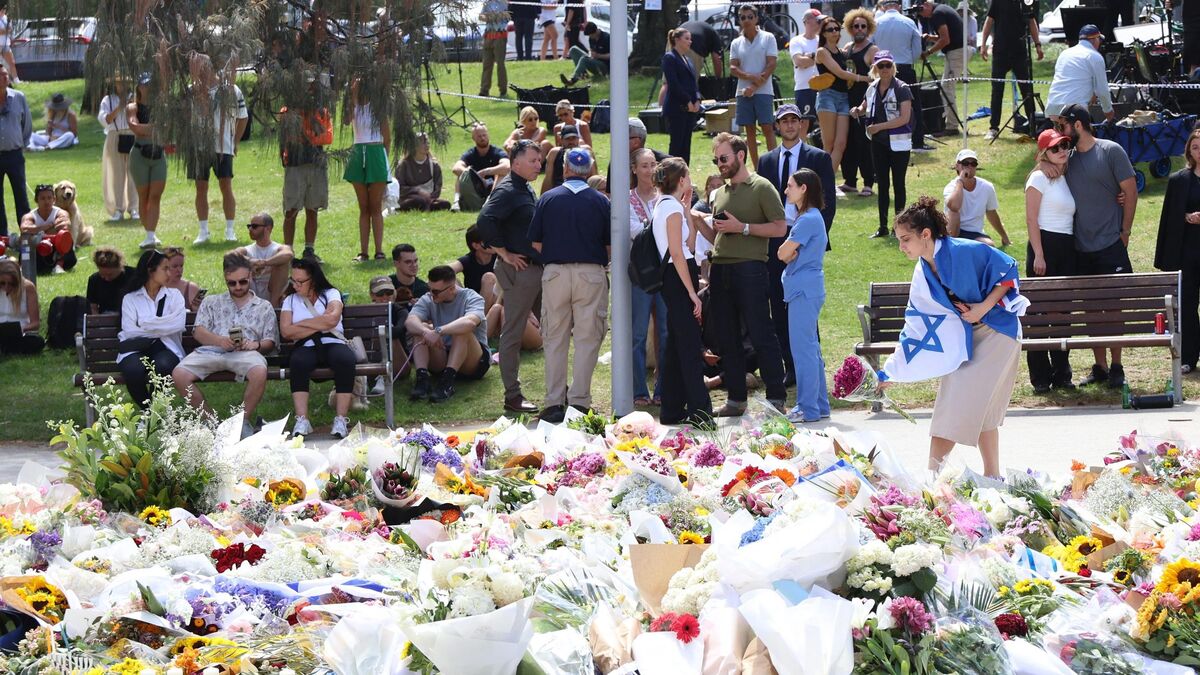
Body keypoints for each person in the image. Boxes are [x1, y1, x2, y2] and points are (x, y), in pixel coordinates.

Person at [878, 197, 1027, 479]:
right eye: (899, 240)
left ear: (925, 234)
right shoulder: (923, 269)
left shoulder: (963, 250)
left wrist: (982, 308)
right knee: (977, 408)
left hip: (997, 332)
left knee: (955, 404)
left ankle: (932, 480)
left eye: (906, 239)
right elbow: (917, 322)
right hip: (967, 336)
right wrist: (892, 369)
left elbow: (1008, 269)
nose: (901, 247)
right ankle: (992, 477)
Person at [692, 132, 788, 415]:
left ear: (741, 155)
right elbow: (720, 238)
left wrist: (743, 227)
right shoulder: (719, 193)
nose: (720, 164)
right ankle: (736, 400)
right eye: (716, 160)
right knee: (727, 337)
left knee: (761, 333)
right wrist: (698, 222)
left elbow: (780, 228)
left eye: (724, 158)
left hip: (750, 269)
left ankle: (776, 398)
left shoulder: (762, 187)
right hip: (720, 269)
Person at [1053, 103, 1138, 389]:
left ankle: (1117, 366)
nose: (1060, 131)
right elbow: (1044, 166)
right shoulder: (1067, 158)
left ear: (1078, 124)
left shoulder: (1111, 151)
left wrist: (1124, 232)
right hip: (1081, 247)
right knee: (1090, 310)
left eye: (1063, 125)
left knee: (1113, 309)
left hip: (1111, 243)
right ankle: (1100, 367)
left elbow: (1130, 192)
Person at [529, 148, 610, 423]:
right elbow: (609, 245)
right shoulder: (600, 201)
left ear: (565, 168)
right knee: (588, 338)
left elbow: (536, 242)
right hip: (591, 272)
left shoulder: (548, 198)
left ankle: (554, 402)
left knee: (554, 338)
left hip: (555, 273)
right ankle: (579, 402)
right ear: (589, 170)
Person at [758, 103, 836, 385]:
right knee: (779, 304)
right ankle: (790, 366)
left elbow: (828, 204)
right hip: (776, 239)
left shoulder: (818, 158)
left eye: (794, 120)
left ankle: (811, 365)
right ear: (777, 126)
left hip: (805, 238)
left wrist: (810, 240)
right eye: (785, 121)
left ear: (801, 124)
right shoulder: (766, 161)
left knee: (803, 306)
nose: (790, 125)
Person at [172, 251, 278, 438]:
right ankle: (211, 423)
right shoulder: (212, 302)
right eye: (232, 283)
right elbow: (198, 331)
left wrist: (255, 345)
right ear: (225, 279)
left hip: (246, 353)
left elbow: (270, 341)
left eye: (243, 281)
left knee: (259, 371)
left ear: (250, 276)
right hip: (211, 351)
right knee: (179, 374)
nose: (238, 287)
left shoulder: (263, 306)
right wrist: (219, 341)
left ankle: (242, 422)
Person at [475, 139, 544, 413]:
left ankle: (557, 392)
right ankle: (512, 395)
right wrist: (503, 253)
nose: (538, 165)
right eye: (533, 161)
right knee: (512, 333)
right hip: (520, 270)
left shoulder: (524, 186)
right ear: (515, 163)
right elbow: (484, 220)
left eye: (539, 160)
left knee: (552, 329)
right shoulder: (507, 189)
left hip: (536, 268)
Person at [653, 157, 712, 425]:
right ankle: (700, 412)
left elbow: (688, 244)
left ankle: (672, 409)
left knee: (677, 346)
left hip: (677, 275)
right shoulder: (669, 208)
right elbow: (677, 253)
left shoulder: (671, 206)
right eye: (687, 176)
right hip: (677, 278)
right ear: (680, 180)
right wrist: (691, 292)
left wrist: (687, 210)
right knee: (688, 346)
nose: (690, 180)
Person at [1025, 128, 1078, 392]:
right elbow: (1031, 218)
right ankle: (1040, 377)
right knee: (1038, 315)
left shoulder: (1067, 174)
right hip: (1045, 243)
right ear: (1044, 153)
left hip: (1067, 246)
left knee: (1062, 314)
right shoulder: (1038, 177)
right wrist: (1039, 253)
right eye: (1055, 148)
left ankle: (1062, 373)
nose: (1061, 151)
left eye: (1064, 146)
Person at [280, 257, 355, 439]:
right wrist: (320, 322)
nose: (295, 285)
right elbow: (286, 331)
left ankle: (341, 419)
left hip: (333, 341)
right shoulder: (290, 300)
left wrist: (301, 325)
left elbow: (333, 319)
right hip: (305, 345)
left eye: (300, 281)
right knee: (298, 362)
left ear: (312, 280)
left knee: (345, 359)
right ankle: (302, 419)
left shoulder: (331, 293)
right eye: (293, 280)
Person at [777, 168, 830, 423]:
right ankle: (818, 405)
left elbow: (781, 253)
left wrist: (789, 254)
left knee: (803, 351)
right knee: (810, 349)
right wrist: (789, 254)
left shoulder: (808, 219)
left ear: (803, 188)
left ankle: (807, 408)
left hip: (803, 290)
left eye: (790, 186)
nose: (786, 190)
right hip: (806, 289)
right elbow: (786, 253)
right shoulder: (810, 217)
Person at [187, 54, 249, 244]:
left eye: (200, 67)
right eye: (194, 68)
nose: (198, 72)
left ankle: (230, 230)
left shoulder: (230, 90)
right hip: (199, 146)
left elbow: (243, 117)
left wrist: (235, 141)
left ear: (209, 67)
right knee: (201, 187)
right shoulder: (191, 90)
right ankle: (203, 231)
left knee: (225, 185)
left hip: (223, 145)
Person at [851, 50, 913, 239]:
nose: (885, 69)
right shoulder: (872, 87)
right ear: (875, 68)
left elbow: (904, 118)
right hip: (878, 143)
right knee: (883, 184)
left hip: (899, 143)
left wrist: (879, 127)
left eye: (888, 65)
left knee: (899, 184)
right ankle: (883, 226)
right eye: (881, 65)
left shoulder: (902, 88)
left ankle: (898, 228)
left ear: (893, 67)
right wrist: (857, 110)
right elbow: (864, 106)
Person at [406, 265, 491, 403]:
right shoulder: (428, 298)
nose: (431, 294)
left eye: (436, 291)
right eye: (429, 289)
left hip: (473, 362)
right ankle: (422, 379)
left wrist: (439, 331)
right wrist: (425, 331)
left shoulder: (472, 297)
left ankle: (447, 382)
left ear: (451, 289)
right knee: (420, 329)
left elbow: (470, 322)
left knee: (462, 330)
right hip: (443, 355)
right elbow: (410, 321)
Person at [1156, 127, 1200, 375]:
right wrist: (1186, 216)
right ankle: (1189, 357)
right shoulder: (1179, 180)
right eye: (1195, 147)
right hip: (1187, 251)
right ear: (1189, 151)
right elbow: (1170, 218)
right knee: (1188, 305)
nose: (1199, 151)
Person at [117, 249, 186, 408]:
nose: (170, 273)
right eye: (165, 268)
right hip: (135, 348)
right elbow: (130, 331)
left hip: (166, 347)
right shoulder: (130, 298)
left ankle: (154, 413)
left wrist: (146, 323)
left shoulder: (174, 296)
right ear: (150, 270)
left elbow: (178, 325)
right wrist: (164, 324)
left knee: (163, 366)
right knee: (133, 370)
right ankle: (149, 413)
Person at [630, 148, 667, 406]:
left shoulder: (664, 197)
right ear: (634, 169)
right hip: (641, 275)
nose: (650, 169)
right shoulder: (626, 199)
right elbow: (632, 231)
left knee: (665, 332)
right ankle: (638, 390)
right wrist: (658, 226)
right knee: (638, 334)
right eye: (644, 165)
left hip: (665, 273)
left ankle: (663, 388)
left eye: (653, 164)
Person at [814, 15, 870, 182]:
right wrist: (864, 78)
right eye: (830, 29)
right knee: (829, 144)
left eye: (837, 29)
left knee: (841, 144)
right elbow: (840, 73)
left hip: (843, 98)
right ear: (823, 33)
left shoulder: (843, 52)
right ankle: (822, 184)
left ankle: (827, 182)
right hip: (827, 97)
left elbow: (857, 56)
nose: (835, 32)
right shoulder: (822, 52)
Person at [980, 0, 1043, 141]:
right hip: (1000, 51)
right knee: (997, 91)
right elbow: (989, 21)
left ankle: (1033, 126)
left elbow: (1031, 21)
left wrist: (1038, 44)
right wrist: (983, 44)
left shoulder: (1026, 1)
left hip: (1019, 51)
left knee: (1026, 89)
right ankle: (993, 127)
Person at [280, 95, 332, 262]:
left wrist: (306, 136)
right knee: (291, 210)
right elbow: (288, 136)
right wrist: (312, 136)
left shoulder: (322, 111)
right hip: (295, 164)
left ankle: (309, 250)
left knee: (313, 209)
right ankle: (288, 251)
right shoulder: (287, 111)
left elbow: (328, 137)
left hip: (316, 164)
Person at [344, 83, 390, 262]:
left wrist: (384, 163)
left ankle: (379, 251)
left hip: (376, 152)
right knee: (363, 207)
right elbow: (346, 120)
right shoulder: (353, 105)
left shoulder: (378, 107)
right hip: (358, 153)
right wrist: (353, 97)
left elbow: (387, 138)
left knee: (375, 206)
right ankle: (363, 252)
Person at [872, 0, 925, 151]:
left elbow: (871, 46)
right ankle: (917, 141)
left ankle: (883, 139)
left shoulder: (876, 23)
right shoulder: (909, 22)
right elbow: (917, 49)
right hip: (904, 67)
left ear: (883, 7)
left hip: (882, 68)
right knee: (913, 105)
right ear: (899, 7)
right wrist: (909, 59)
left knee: (882, 105)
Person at [730, 4, 778, 167]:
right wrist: (750, 77)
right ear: (739, 20)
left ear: (756, 18)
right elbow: (733, 67)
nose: (746, 20)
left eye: (750, 17)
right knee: (749, 130)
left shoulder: (768, 37)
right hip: (743, 92)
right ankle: (757, 168)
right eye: (743, 17)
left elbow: (771, 64)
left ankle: (773, 166)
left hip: (764, 91)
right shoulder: (736, 42)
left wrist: (754, 87)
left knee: (767, 128)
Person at [840, 9, 878, 197]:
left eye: (863, 26)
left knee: (864, 144)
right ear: (850, 28)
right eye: (856, 26)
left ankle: (868, 183)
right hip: (845, 102)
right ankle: (849, 181)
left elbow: (877, 79)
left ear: (868, 28)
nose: (859, 29)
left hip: (864, 104)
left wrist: (866, 104)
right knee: (847, 143)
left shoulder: (873, 50)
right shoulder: (847, 48)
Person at [127, 72, 166, 250]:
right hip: (139, 154)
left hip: (158, 154)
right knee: (144, 196)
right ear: (139, 87)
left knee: (155, 195)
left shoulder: (161, 107)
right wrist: (154, 128)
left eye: (150, 85)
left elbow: (165, 128)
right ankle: (149, 235)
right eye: (144, 85)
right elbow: (135, 127)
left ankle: (151, 233)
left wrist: (148, 129)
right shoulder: (133, 107)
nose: (148, 88)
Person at [916, 0, 966, 136]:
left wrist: (928, 52)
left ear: (927, 4)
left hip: (956, 52)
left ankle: (952, 126)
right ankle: (950, 123)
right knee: (946, 88)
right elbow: (947, 35)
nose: (922, 15)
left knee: (947, 88)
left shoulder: (937, 14)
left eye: (921, 11)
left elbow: (945, 39)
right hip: (956, 51)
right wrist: (930, 38)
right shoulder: (942, 9)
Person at [1046, 25, 1114, 123]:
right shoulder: (1095, 57)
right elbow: (1102, 90)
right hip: (1075, 111)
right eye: (1099, 39)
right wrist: (1109, 112)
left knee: (1060, 133)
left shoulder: (1065, 54)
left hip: (1053, 108)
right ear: (1094, 39)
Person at [943, 148, 1010, 247]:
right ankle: (951, 245)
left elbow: (991, 213)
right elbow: (954, 206)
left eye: (973, 164)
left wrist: (1004, 237)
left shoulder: (987, 187)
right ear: (957, 166)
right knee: (954, 212)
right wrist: (960, 181)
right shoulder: (951, 187)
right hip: (953, 231)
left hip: (974, 233)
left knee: (988, 245)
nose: (969, 167)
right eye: (965, 163)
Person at [99, 76, 139, 222]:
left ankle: (134, 208)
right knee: (117, 174)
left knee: (133, 173)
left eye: (124, 83)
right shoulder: (108, 100)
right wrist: (121, 106)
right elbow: (106, 120)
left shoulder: (135, 98)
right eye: (119, 83)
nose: (122, 86)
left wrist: (132, 104)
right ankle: (118, 209)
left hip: (132, 134)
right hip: (115, 136)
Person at [237, 211, 294, 306]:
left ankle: (273, 307)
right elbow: (230, 255)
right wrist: (251, 262)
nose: (250, 229)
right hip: (250, 290)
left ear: (268, 228)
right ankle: (246, 304)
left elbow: (288, 254)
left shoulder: (278, 248)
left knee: (281, 264)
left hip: (273, 292)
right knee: (236, 263)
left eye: (254, 226)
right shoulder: (247, 250)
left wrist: (264, 263)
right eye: (249, 226)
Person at [0, 63, 30, 239]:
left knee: (21, 195)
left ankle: (26, 233)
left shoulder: (19, 97)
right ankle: (2, 237)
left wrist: (20, 144)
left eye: (6, 74)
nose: (4, 77)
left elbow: (26, 125)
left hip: (15, 154)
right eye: (0, 75)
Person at [19, 183, 75, 275]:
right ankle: (22, 266)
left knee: (64, 235)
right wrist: (46, 227)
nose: (47, 201)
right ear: (36, 200)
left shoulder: (61, 213)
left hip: (56, 249)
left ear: (54, 199)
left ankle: (59, 266)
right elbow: (25, 229)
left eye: (49, 198)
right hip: (37, 250)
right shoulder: (30, 216)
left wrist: (38, 232)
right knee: (25, 239)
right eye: (43, 198)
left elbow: (64, 226)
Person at [452, 124, 510, 213]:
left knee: (501, 174)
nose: (482, 138)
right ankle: (456, 202)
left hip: (494, 188)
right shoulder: (470, 153)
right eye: (479, 136)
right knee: (462, 175)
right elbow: (456, 168)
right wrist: (475, 176)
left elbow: (507, 167)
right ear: (473, 138)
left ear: (488, 135)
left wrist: (486, 171)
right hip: (476, 188)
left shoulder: (497, 152)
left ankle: (489, 202)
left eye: (484, 135)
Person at [367, 275, 409, 395]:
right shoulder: (365, 313)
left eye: (389, 292)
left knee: (387, 331)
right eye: (380, 294)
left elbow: (400, 330)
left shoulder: (400, 311)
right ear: (372, 295)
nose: (385, 297)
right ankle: (363, 379)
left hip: (398, 362)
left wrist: (381, 330)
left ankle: (383, 377)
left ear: (394, 293)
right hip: (370, 359)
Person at [396, 133, 451, 212]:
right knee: (418, 201)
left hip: (429, 198)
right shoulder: (404, 165)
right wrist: (417, 190)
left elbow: (437, 188)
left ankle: (428, 205)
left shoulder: (434, 165)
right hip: (409, 198)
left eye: (428, 143)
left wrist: (430, 197)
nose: (427, 145)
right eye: (423, 143)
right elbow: (400, 188)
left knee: (445, 204)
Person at [0, 258, 42, 355]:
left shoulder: (28, 288)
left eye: (11, 284)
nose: (6, 287)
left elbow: (35, 323)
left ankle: (6, 350)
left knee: (37, 342)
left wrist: (22, 329)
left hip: (20, 335)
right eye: (2, 283)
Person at [788, 9, 822, 125]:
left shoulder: (822, 40)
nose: (820, 23)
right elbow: (799, 62)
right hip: (804, 88)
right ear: (807, 21)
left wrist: (810, 56)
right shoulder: (796, 41)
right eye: (818, 21)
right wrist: (819, 58)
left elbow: (829, 60)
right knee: (804, 124)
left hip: (823, 87)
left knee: (824, 123)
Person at [451, 225, 498, 307]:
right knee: (450, 278)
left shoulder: (500, 257)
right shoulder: (468, 260)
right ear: (476, 245)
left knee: (489, 277)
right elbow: (445, 270)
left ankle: (480, 314)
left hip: (495, 304)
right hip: (473, 303)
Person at [543, 125, 594, 193]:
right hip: (559, 190)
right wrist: (544, 197)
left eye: (574, 138)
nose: (571, 141)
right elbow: (548, 179)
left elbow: (594, 178)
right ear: (561, 140)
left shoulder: (586, 152)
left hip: (583, 189)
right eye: (567, 139)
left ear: (578, 139)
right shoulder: (554, 153)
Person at [560, 22, 610, 86]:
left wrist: (598, 56)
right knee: (573, 49)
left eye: (591, 35)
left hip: (605, 67)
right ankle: (583, 75)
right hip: (595, 62)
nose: (590, 37)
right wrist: (591, 54)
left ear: (596, 31)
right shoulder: (591, 38)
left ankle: (572, 80)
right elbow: (591, 51)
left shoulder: (607, 38)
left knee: (584, 59)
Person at [87, 247, 134, 315]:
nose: (106, 278)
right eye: (102, 275)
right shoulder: (94, 280)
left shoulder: (133, 276)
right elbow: (93, 306)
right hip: (105, 316)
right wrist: (97, 319)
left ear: (120, 267)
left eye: (110, 274)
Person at [479, 0, 510, 98]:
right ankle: (484, 90)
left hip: (500, 35)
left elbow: (506, 17)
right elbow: (481, 16)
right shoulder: (487, 3)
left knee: (500, 64)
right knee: (486, 64)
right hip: (488, 35)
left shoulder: (504, 3)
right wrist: (488, 17)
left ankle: (503, 90)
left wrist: (493, 17)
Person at [162, 247, 204, 312]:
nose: (179, 270)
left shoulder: (191, 288)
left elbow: (204, 315)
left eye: (181, 266)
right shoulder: (154, 288)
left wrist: (197, 309)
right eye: (175, 266)